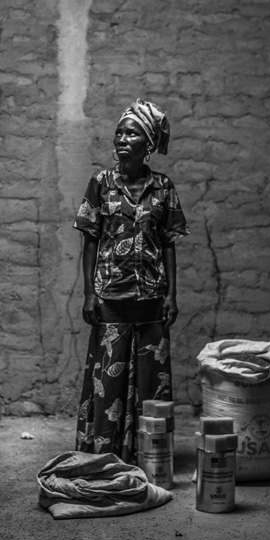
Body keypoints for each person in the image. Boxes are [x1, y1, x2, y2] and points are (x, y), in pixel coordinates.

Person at [72, 98, 189, 464]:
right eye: (120, 132)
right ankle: (104, 453)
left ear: (148, 143)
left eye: (132, 133)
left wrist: (171, 293)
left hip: (152, 297)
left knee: (152, 380)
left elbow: (169, 243)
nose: (123, 139)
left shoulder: (163, 187)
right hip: (111, 295)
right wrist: (90, 292)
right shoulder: (101, 184)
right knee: (107, 379)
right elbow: (90, 239)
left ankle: (150, 455)